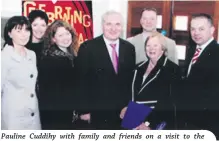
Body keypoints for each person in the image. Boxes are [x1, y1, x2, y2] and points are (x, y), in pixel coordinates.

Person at [75, 10, 136, 129]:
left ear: (122, 27)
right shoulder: (87, 47)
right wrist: (83, 111)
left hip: (123, 113)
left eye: (117, 24)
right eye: (109, 24)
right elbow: (80, 82)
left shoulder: (129, 48)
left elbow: (130, 81)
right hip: (97, 113)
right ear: (102, 26)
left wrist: (130, 107)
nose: (113, 28)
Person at [120, 32, 181, 130]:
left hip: (156, 123)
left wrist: (149, 124)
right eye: (148, 45)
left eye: (155, 45)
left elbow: (168, 103)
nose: (151, 48)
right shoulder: (138, 67)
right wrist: (124, 107)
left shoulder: (172, 69)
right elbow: (129, 92)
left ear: (162, 48)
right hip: (133, 119)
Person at [177, 13, 219, 138]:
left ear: (212, 30)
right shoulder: (193, 50)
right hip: (191, 121)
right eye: (193, 29)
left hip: (208, 123)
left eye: (201, 29)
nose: (196, 33)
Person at [38, 20, 80, 129]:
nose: (66, 38)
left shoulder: (72, 55)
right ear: (53, 39)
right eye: (60, 35)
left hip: (69, 111)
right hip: (56, 116)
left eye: (67, 33)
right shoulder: (49, 59)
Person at [1, 16, 41, 129]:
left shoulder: (32, 54)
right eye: (19, 31)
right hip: (12, 117)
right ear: (9, 33)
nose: (24, 34)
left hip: (33, 113)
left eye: (27, 30)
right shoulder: (4, 57)